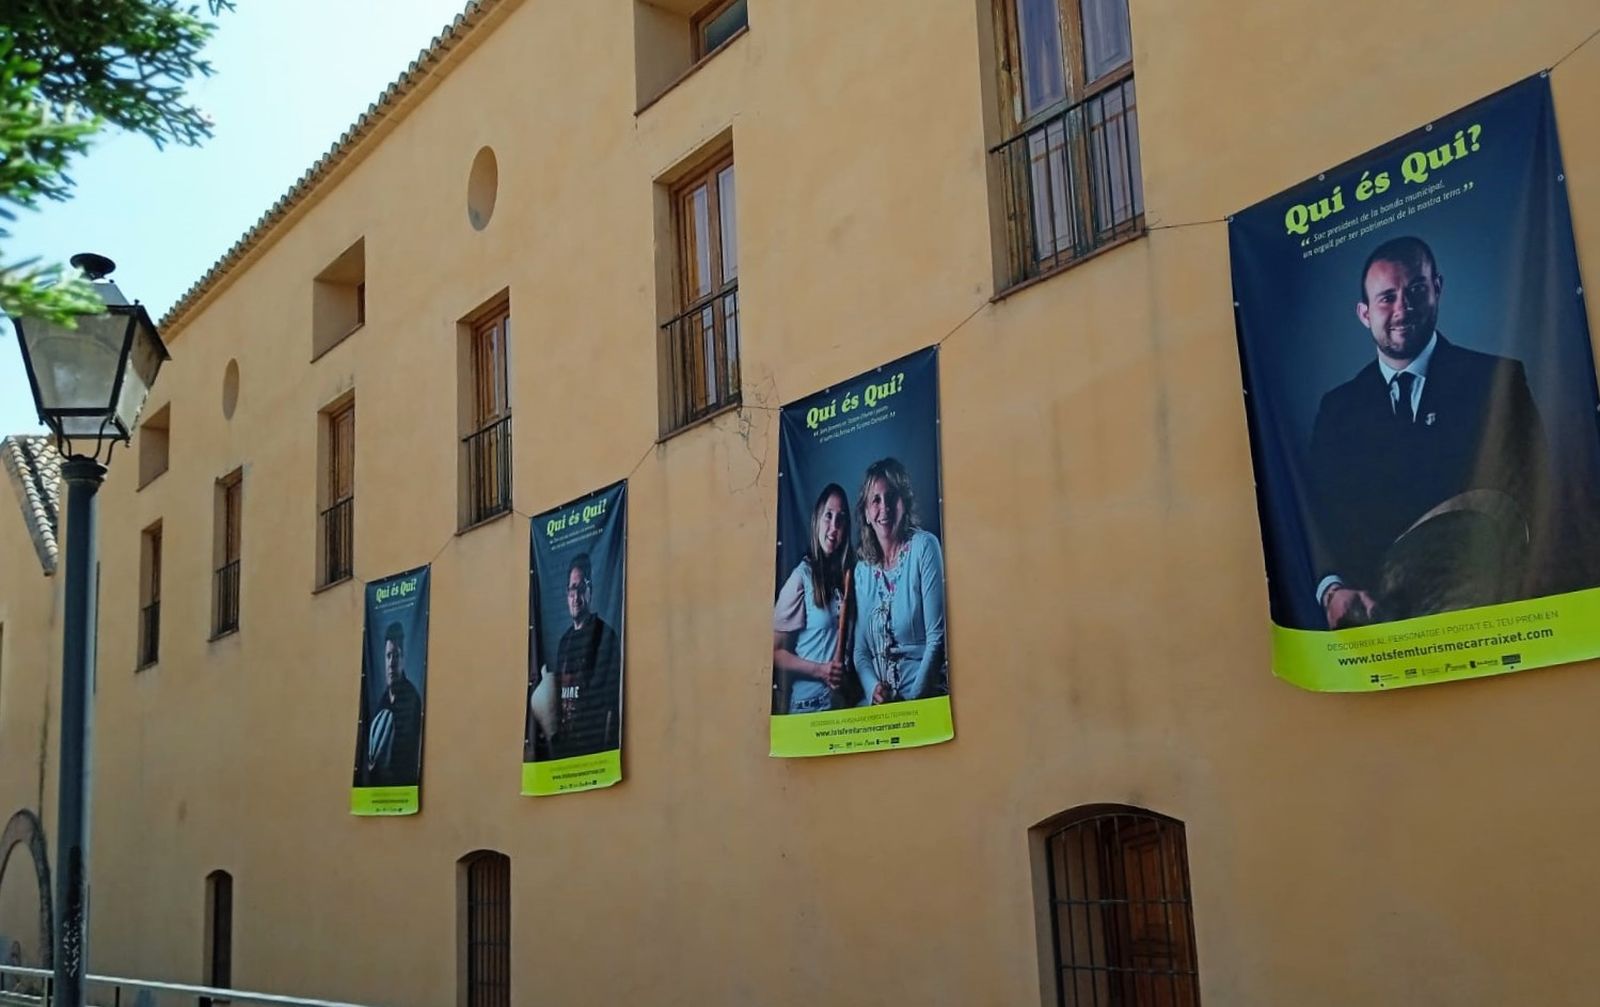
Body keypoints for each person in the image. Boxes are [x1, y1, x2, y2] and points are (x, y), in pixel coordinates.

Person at [1308, 235, 1549, 628]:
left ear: (1437, 288)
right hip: (1378, 626)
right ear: (1364, 313)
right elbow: (1316, 517)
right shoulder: (1337, 409)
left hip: (1492, 615)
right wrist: (1331, 589)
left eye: (1416, 289)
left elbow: (1540, 495)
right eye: (1386, 297)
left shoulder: (1499, 381)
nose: (1403, 308)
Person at [852, 458, 947, 703]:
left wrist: (912, 704)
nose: (884, 507)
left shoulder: (924, 547)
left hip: (923, 696)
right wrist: (873, 689)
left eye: (892, 497)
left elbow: (937, 639)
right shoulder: (862, 571)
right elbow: (860, 652)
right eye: (875, 500)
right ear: (866, 513)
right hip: (880, 705)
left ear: (904, 503)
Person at [529, 553, 622, 759]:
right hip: (566, 749)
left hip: (594, 749)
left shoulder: (605, 636)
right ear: (566, 593)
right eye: (572, 589)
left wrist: (606, 752)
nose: (576, 596)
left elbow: (611, 706)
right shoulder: (564, 642)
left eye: (581, 588)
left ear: (590, 591)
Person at [772, 484, 855, 714]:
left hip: (840, 709)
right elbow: (774, 653)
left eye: (841, 519)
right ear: (817, 519)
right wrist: (820, 670)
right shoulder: (800, 578)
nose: (833, 527)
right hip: (807, 709)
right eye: (828, 516)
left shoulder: (847, 577)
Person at [365, 621, 423, 787]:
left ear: (403, 658)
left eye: (396, 655)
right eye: (388, 656)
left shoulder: (413, 701)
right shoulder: (381, 704)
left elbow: (409, 757)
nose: (392, 663)